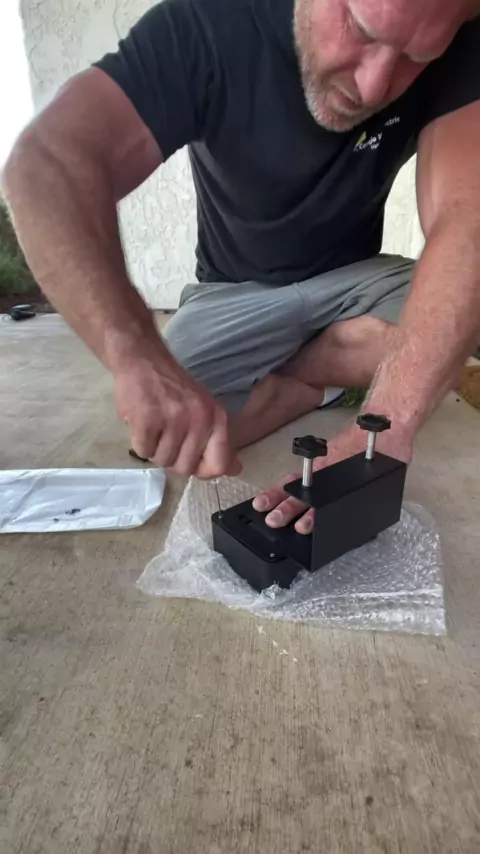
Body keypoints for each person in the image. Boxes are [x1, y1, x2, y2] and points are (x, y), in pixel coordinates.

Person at [3, 0, 480, 535]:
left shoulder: (462, 41)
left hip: (355, 284)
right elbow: (49, 161)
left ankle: (300, 374)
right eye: (361, 29)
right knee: (168, 428)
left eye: (417, 56)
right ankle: (325, 377)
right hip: (235, 293)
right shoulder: (211, 22)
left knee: (456, 320)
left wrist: (387, 427)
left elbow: (468, 219)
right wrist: (135, 354)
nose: (374, 86)